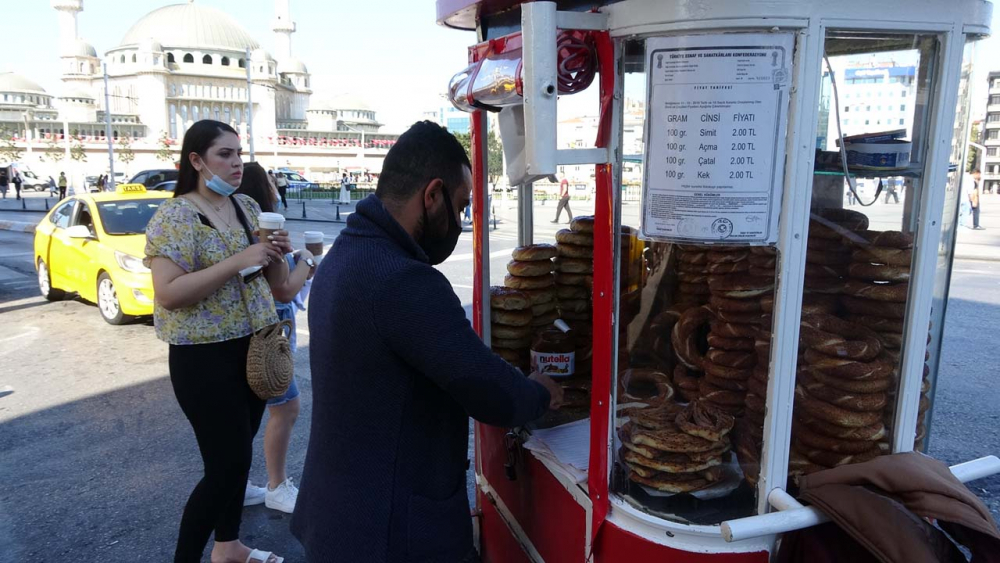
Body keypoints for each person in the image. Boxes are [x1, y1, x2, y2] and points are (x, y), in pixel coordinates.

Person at [291, 121, 563, 563]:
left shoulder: (347, 250)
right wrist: (538, 392)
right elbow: (485, 386)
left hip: (337, 516)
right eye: (460, 206)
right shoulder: (403, 281)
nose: (461, 220)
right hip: (390, 534)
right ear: (432, 195)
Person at [145, 120, 300, 563]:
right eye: (224, 154)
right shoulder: (175, 216)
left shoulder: (247, 207)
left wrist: (277, 252)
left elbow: (279, 287)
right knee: (226, 465)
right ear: (196, 160)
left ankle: (228, 546)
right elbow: (169, 294)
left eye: (239, 153)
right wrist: (238, 260)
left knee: (239, 456)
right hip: (202, 358)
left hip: (253, 349)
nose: (237, 164)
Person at [237, 162, 316, 515]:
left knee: (247, 414)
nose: (275, 183)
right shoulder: (264, 229)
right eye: (270, 179)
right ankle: (277, 485)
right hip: (269, 331)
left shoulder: (236, 225)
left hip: (244, 330)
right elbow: (283, 290)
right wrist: (310, 263)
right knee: (286, 407)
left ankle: (235, 483)